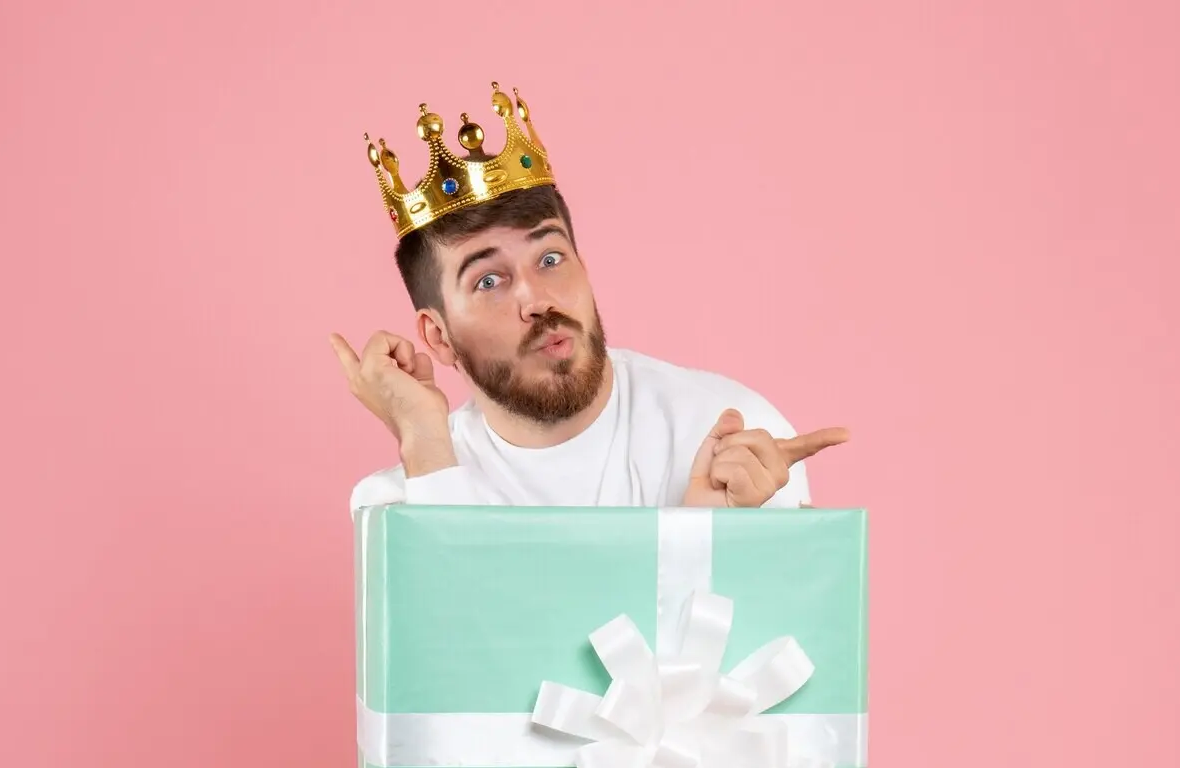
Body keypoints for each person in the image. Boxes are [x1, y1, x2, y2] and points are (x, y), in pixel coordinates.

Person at [332, 86, 848, 511]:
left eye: (551, 258)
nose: (536, 298)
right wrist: (424, 445)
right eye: (489, 281)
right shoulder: (406, 498)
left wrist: (739, 537)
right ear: (438, 337)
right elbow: (448, 636)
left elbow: (794, 633)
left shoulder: (734, 437)